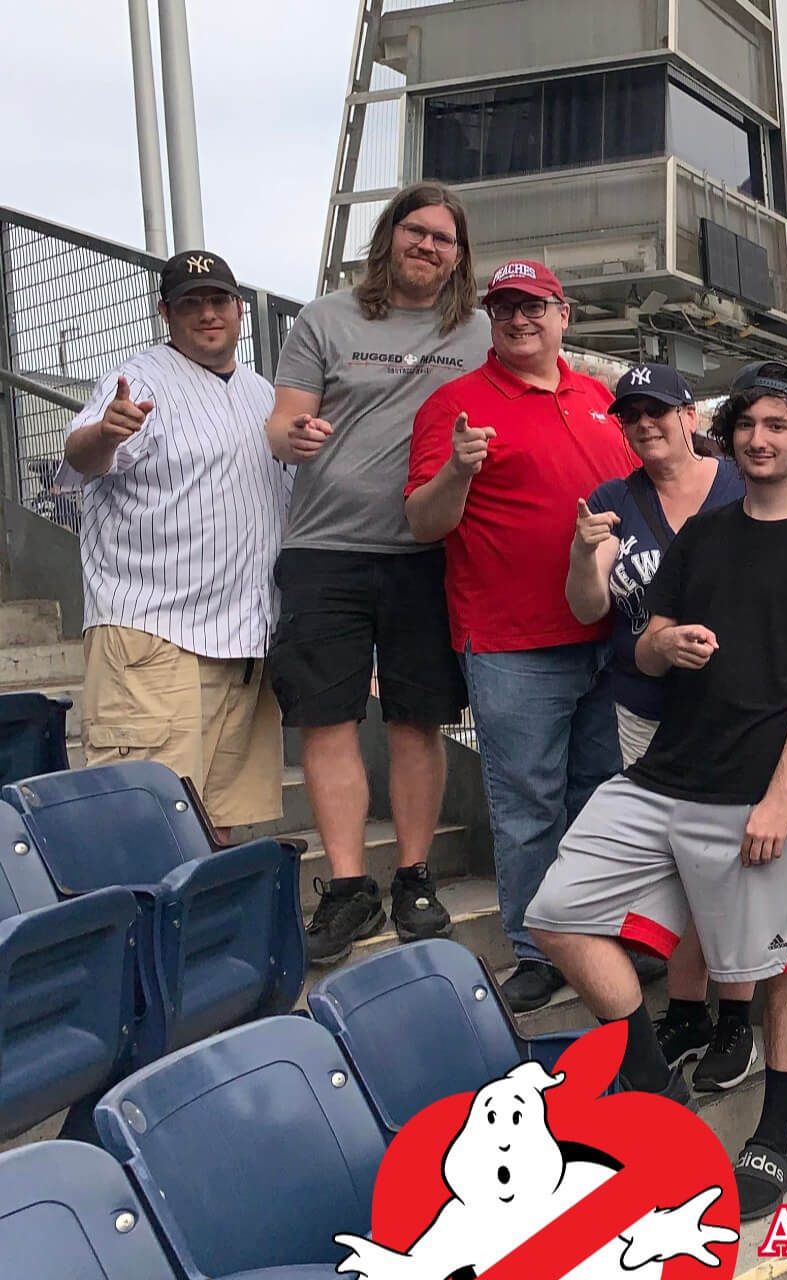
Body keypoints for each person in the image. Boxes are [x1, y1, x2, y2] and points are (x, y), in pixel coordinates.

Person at [527, 360, 787, 1218]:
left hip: (765, 784)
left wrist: (781, 795)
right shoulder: (707, 534)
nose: (759, 438)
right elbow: (641, 643)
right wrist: (663, 648)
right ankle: (650, 1080)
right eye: (748, 424)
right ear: (729, 432)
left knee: (783, 961)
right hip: (663, 772)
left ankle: (773, 1138)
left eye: (778, 426)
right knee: (557, 914)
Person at [405, 259, 639, 1011]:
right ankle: (538, 949)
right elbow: (423, 522)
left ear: (563, 314)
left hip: (608, 634)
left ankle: (594, 936)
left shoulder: (602, 399)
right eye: (504, 308)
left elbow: (665, 484)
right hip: (512, 643)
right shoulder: (456, 405)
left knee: (600, 798)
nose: (519, 319)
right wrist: (459, 473)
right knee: (527, 804)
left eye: (534, 306)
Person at [266, 183, 489, 965]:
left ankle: (415, 875)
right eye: (415, 231)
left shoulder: (481, 332)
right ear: (389, 237)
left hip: (428, 554)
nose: (428, 247)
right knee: (327, 722)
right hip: (324, 549)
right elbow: (281, 420)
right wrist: (293, 433)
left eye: (444, 238)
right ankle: (350, 886)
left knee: (416, 721)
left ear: (460, 255)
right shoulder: (325, 318)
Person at [56, 252, 293, 838]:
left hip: (241, 645)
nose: (208, 314)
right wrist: (105, 434)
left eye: (218, 301)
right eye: (191, 303)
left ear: (239, 309)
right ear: (166, 312)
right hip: (153, 639)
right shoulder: (140, 380)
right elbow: (80, 457)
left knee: (220, 833)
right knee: (143, 832)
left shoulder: (262, 393)